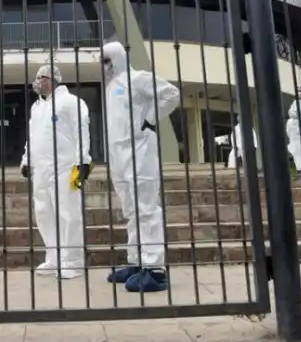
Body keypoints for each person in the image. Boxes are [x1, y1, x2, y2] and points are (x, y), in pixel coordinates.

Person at [101, 41, 182, 293]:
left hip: (140, 151)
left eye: (107, 60)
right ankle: (136, 261)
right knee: (132, 211)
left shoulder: (137, 78)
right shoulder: (111, 87)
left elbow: (172, 94)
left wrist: (149, 119)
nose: (105, 66)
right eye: (102, 62)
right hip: (118, 155)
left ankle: (155, 270)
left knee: (146, 209)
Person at [20, 64, 92, 279]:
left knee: (68, 213)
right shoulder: (37, 107)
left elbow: (82, 131)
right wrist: (27, 159)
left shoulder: (71, 102)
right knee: (44, 213)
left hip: (67, 167)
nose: (37, 81)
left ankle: (73, 261)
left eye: (40, 77)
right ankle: (54, 258)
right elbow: (32, 137)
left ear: (51, 79)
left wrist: (83, 161)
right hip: (41, 169)